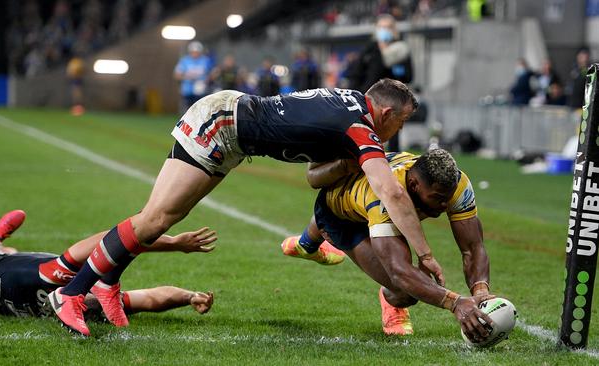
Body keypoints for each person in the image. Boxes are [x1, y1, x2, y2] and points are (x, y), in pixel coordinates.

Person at [47, 78, 450, 337]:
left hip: (233, 128)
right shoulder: (360, 128)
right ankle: (73, 292)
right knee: (154, 219)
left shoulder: (348, 104)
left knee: (156, 220)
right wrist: (426, 255)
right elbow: (392, 194)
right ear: (385, 113)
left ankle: (106, 284)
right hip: (222, 124)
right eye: (400, 123)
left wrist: (343, 165)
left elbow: (313, 177)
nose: (398, 133)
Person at [0, 147, 215, 323]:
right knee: (13, 258)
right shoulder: (95, 302)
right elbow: (150, 298)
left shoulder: (56, 277)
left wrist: (163, 237)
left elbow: (110, 240)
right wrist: (190, 296)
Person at [281, 149, 492, 342]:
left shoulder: (457, 185)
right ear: (414, 185)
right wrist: (455, 303)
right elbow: (400, 272)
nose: (446, 205)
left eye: (448, 197)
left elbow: (473, 248)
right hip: (342, 216)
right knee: (404, 291)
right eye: (438, 198)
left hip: (365, 199)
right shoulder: (383, 197)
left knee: (411, 272)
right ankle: (313, 244)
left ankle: (307, 244)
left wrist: (480, 290)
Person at [348, 14, 413, 152]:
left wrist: (398, 70)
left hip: (392, 99)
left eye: (388, 27)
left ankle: (394, 160)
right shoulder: (369, 49)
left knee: (393, 131)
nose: (385, 30)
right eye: (382, 27)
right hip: (368, 97)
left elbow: (409, 76)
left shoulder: (400, 49)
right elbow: (356, 73)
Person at [174, 41, 213, 114]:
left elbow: (212, 73)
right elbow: (177, 75)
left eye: (197, 52)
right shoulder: (184, 61)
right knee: (187, 111)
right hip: (187, 90)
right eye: (193, 52)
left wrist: (206, 80)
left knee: (201, 111)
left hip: (201, 90)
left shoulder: (205, 60)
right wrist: (188, 77)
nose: (195, 53)